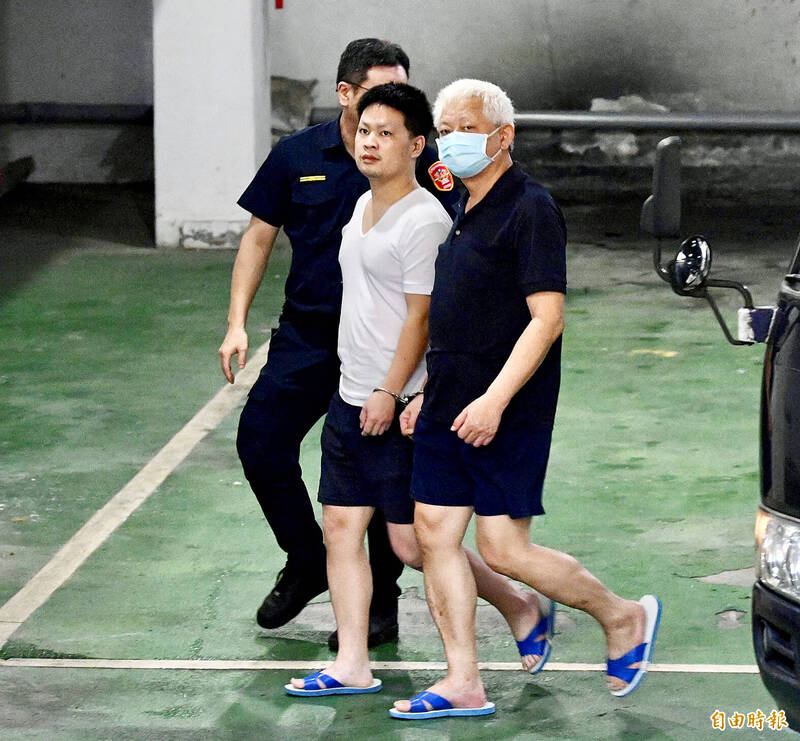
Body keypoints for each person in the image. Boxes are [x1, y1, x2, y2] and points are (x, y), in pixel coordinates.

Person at [391, 79, 662, 720]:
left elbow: (546, 318)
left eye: (466, 128)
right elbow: (466, 316)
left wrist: (492, 401)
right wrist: (428, 390)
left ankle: (622, 617)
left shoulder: (530, 208)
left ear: (502, 137)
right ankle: (463, 682)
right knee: (432, 536)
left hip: (505, 407)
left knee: (504, 550)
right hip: (446, 401)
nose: (452, 139)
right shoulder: (459, 203)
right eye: (446, 127)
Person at [284, 82, 546, 700]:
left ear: (415, 145)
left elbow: (422, 317)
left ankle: (518, 605)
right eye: (365, 131)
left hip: (394, 401)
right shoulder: (360, 207)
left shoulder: (427, 219)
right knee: (341, 530)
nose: (370, 143)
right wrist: (354, 383)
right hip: (351, 395)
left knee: (411, 542)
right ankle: (351, 662)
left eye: (387, 134)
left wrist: (391, 389)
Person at [218, 39, 459, 649]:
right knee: (261, 445)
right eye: (377, 95)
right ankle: (307, 560)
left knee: (375, 479)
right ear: (345, 93)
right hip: (308, 336)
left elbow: (452, 245)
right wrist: (236, 321)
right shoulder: (297, 156)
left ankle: (378, 608)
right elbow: (257, 238)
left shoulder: (415, 162)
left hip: (386, 348)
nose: (389, 111)